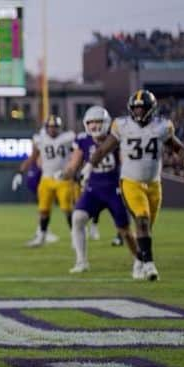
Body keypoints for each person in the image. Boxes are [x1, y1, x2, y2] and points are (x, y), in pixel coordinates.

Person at [88, 89, 184, 281]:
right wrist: (88, 167)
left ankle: (139, 260)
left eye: (141, 108)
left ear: (150, 108)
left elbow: (178, 147)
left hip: (154, 184)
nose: (138, 112)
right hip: (130, 181)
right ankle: (150, 265)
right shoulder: (122, 125)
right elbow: (104, 149)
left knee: (145, 228)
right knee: (142, 219)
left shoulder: (162, 126)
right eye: (135, 109)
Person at [63, 105, 138, 274]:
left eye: (98, 122)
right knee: (78, 218)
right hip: (93, 189)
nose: (94, 126)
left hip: (114, 189)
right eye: (91, 122)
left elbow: (125, 162)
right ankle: (81, 261)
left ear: (106, 123)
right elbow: (74, 164)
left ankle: (139, 260)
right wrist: (64, 173)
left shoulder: (116, 139)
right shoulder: (83, 140)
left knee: (124, 230)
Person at [12, 114, 77, 246]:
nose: (53, 129)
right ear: (46, 128)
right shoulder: (40, 139)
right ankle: (41, 236)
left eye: (55, 127)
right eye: (50, 127)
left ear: (60, 128)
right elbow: (32, 157)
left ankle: (75, 236)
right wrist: (20, 172)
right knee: (43, 210)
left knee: (67, 209)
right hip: (46, 178)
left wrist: (72, 169)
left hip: (63, 178)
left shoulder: (68, 138)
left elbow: (78, 153)